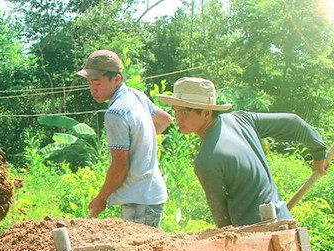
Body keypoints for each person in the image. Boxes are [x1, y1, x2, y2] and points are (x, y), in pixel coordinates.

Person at [156, 77, 329, 227]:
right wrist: (319, 155)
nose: (178, 118)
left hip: (256, 239)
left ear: (207, 113)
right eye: (176, 111)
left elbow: (223, 221)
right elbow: (294, 123)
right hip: (283, 221)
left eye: (185, 112)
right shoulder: (240, 120)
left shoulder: (207, 160)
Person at [76, 50, 173, 227]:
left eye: (97, 83)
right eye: (90, 83)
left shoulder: (115, 114)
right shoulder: (136, 96)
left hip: (139, 200)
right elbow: (165, 119)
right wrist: (141, 140)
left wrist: (101, 198)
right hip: (150, 194)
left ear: (117, 79)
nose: (92, 89)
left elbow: (120, 167)